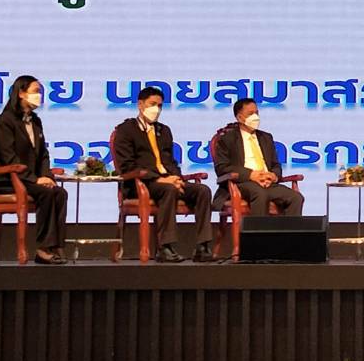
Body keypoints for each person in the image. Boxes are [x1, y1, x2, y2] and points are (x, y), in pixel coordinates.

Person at [112, 85, 215, 263]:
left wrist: (176, 178)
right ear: (140, 104)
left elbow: (170, 162)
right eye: (152, 104)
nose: (156, 109)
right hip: (141, 183)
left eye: (160, 105)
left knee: (202, 191)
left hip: (167, 181)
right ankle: (165, 247)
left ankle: (203, 246)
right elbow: (127, 166)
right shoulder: (126, 130)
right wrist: (161, 179)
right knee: (169, 190)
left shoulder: (164, 130)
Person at [0, 74, 69, 264]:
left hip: (27, 179)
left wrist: (46, 176)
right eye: (36, 91)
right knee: (46, 193)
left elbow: (43, 154)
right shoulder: (5, 121)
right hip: (5, 180)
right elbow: (8, 157)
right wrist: (34, 179)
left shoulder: (35, 121)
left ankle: (53, 246)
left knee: (59, 193)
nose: (39, 96)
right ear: (21, 93)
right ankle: (43, 249)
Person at [214, 98, 305, 217]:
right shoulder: (227, 139)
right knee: (260, 193)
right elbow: (222, 168)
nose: (255, 117)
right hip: (242, 183)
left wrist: (273, 176)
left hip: (268, 183)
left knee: (296, 198)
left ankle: (287, 230)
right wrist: (251, 175)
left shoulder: (266, 137)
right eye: (250, 114)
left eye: (256, 113)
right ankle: (258, 230)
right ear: (240, 118)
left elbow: (275, 165)